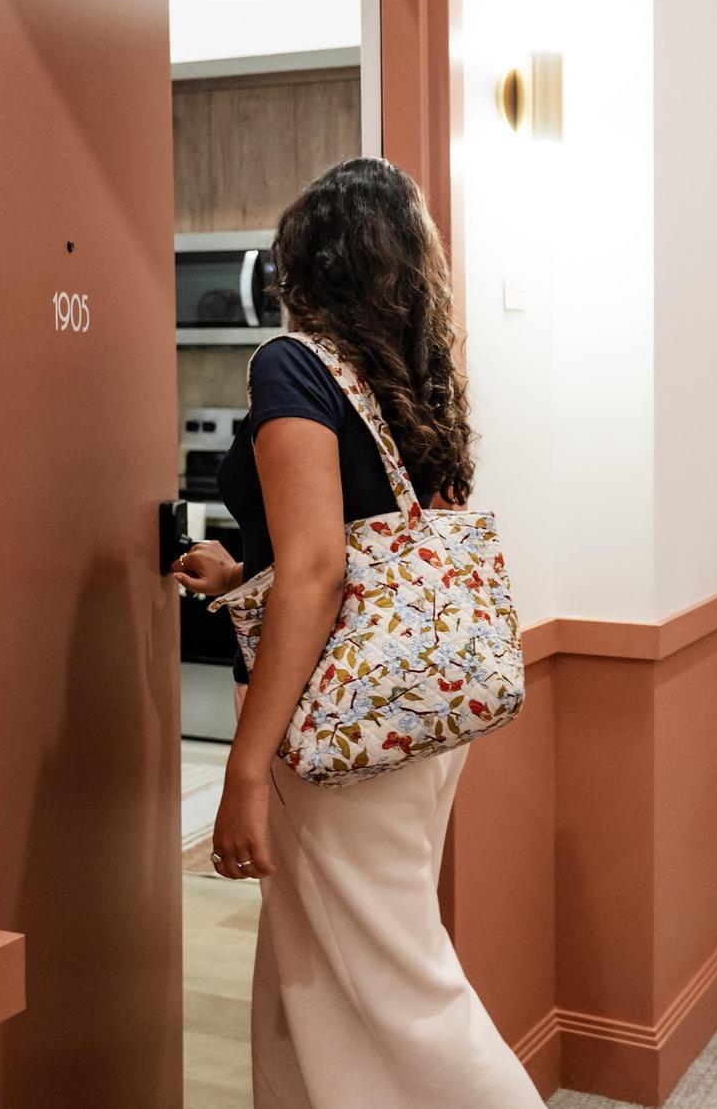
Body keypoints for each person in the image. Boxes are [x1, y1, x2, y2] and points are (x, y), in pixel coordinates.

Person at [171, 157, 545, 1108]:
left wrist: (245, 770)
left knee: (402, 992)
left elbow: (320, 569)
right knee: (309, 980)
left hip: (332, 731)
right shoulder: (414, 384)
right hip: (412, 723)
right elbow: (371, 555)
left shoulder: (290, 363)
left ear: (309, 261)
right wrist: (239, 576)